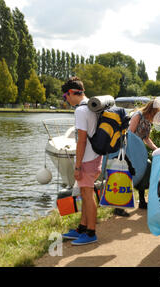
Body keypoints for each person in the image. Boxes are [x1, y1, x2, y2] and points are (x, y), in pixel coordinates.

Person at [61, 77, 101, 245]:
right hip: (96, 155)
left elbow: (82, 140)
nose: (66, 100)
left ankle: (91, 233)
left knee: (87, 194)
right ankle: (82, 228)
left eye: (65, 97)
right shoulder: (92, 107)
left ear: (71, 93)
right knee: (85, 194)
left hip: (87, 158)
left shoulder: (80, 110)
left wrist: (77, 166)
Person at [128, 99, 160, 209]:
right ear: (152, 110)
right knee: (141, 168)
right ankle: (121, 204)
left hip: (139, 151)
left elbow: (146, 139)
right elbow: (129, 134)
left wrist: (157, 149)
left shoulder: (148, 120)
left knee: (145, 170)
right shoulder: (138, 115)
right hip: (131, 150)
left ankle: (142, 201)